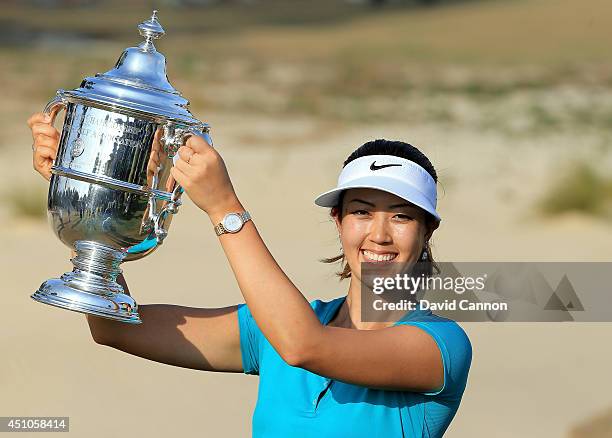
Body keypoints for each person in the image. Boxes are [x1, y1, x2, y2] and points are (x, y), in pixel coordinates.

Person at [28, 112, 472, 438]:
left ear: (428, 230)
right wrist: (92, 191)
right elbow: (113, 327)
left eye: (401, 217)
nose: (378, 234)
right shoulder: (273, 329)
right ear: (338, 221)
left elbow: (304, 347)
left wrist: (225, 207)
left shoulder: (440, 345)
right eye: (361, 212)